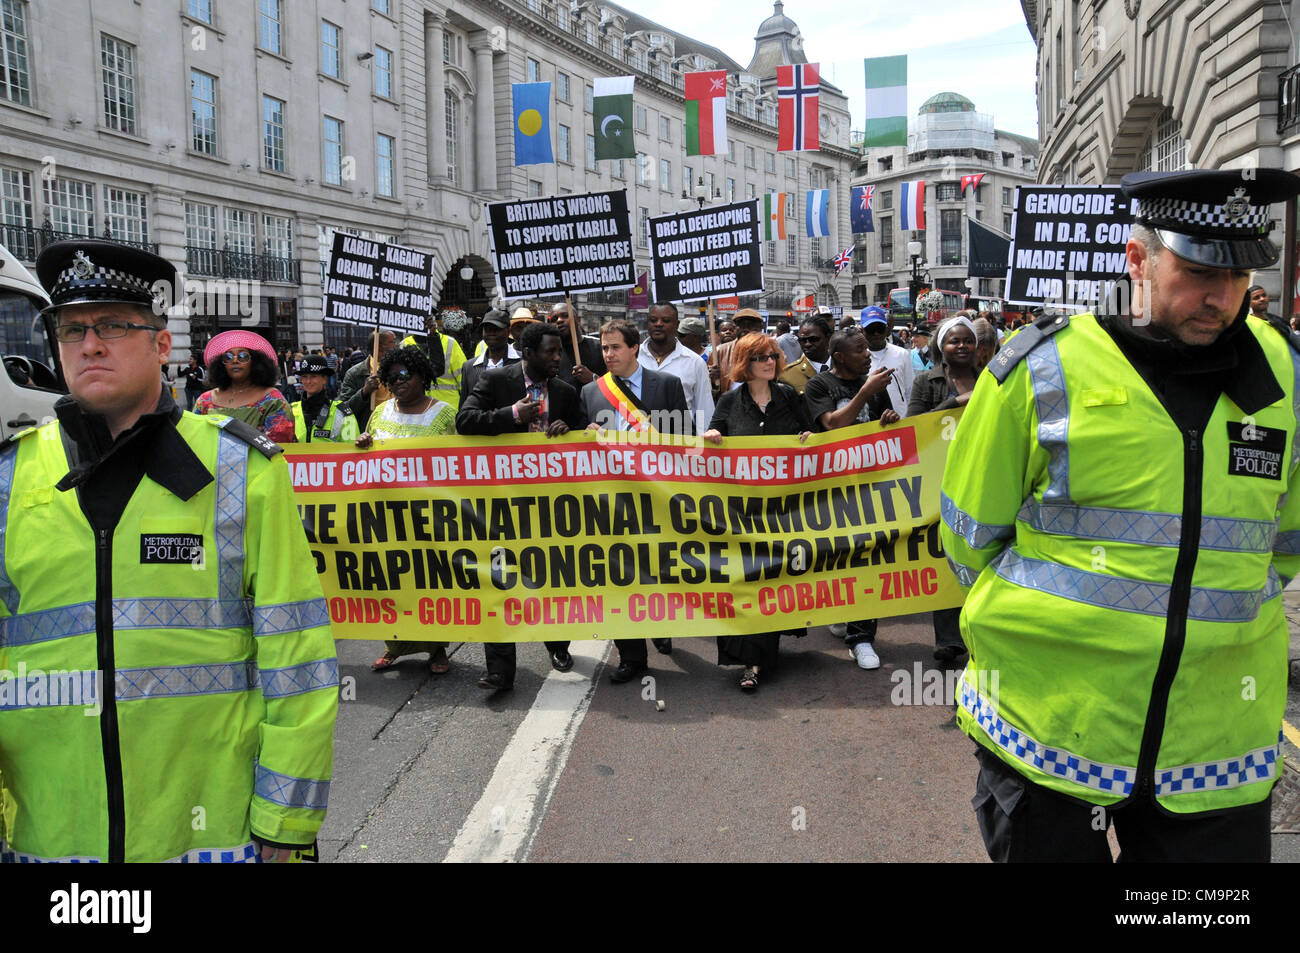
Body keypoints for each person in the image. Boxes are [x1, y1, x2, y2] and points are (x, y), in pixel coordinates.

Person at [942, 167, 1300, 863]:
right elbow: (968, 540)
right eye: (1197, 270)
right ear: (1137, 258)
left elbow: (1286, 546)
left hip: (1214, 750)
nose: (1223, 297)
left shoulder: (1287, 377)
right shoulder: (1038, 371)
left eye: (1239, 274)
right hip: (1047, 737)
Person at [0, 239, 337, 863]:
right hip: (50, 845)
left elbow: (299, 657)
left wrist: (284, 826)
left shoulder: (243, 471)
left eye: (112, 326)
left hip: (211, 841)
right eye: (71, 329)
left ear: (161, 346)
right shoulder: (10, 478)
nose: (89, 345)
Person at [456, 322, 586, 691]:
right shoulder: (496, 381)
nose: (557, 358)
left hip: (550, 506)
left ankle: (558, 645)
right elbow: (465, 422)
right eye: (551, 352)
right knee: (499, 580)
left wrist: (570, 430)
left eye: (560, 352)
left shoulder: (564, 389)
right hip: (500, 504)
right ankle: (499, 671)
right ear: (527, 353)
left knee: (549, 578)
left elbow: (585, 433)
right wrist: (511, 415)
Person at [582, 319, 692, 682]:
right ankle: (631, 657)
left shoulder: (668, 385)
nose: (608, 354)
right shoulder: (592, 392)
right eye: (604, 348)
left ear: (634, 348)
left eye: (615, 347)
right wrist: (589, 436)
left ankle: (661, 621)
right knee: (618, 576)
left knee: (659, 567)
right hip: (612, 500)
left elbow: (683, 438)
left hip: (657, 495)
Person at [703, 333, 812, 691]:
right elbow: (713, 433)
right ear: (745, 364)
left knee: (773, 579)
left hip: (782, 509)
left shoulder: (789, 397)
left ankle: (760, 658)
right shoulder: (730, 402)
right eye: (760, 357)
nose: (770, 361)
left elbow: (809, 431)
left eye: (773, 355)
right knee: (746, 579)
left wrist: (807, 439)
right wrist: (713, 436)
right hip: (742, 512)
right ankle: (752, 660)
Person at [803, 327, 899, 670]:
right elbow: (833, 426)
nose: (868, 355)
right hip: (832, 490)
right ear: (840, 357)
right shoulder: (819, 386)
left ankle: (861, 639)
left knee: (868, 560)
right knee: (837, 558)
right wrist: (865, 391)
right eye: (860, 350)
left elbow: (882, 427)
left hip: (870, 487)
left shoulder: (874, 384)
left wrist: (889, 420)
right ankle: (839, 609)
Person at [358, 345, 456, 675]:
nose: (399, 381)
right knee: (391, 582)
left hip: (428, 516)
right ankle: (394, 645)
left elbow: (461, 464)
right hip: (385, 516)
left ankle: (437, 649)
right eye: (392, 376)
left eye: (406, 375)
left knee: (429, 583)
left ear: (422, 376)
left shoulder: (443, 414)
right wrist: (362, 444)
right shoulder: (379, 411)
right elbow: (366, 457)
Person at [194, 330, 296, 442]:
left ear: (256, 361)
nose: (235, 360)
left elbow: (279, 446)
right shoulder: (204, 400)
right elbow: (195, 439)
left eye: (243, 356)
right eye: (228, 357)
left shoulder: (273, 400)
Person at [639, 302, 715, 434]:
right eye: (653, 320)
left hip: (679, 445)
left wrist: (704, 448)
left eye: (666, 320)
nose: (658, 324)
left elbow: (704, 409)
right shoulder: (632, 358)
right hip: (636, 445)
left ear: (677, 324)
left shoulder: (695, 362)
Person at [909, 315, 981, 415]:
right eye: (955, 341)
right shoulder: (924, 382)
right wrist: (956, 402)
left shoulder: (988, 379)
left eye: (968, 342)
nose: (962, 345)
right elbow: (915, 424)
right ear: (942, 346)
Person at [401, 312, 467, 411]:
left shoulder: (450, 343)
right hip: (416, 409)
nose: (426, 324)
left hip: (447, 409)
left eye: (429, 321)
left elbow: (464, 379)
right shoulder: (404, 345)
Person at [339, 328, 401, 432]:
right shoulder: (355, 373)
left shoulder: (402, 368)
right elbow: (343, 410)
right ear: (380, 346)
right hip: (371, 433)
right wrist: (364, 392)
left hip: (399, 430)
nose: (396, 345)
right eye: (392, 342)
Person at [290, 353, 358, 443]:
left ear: (325, 379)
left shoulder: (341, 412)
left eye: (313, 376)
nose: (308, 381)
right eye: (304, 377)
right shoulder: (290, 410)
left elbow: (352, 447)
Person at [860, 306, 915, 417]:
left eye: (880, 328)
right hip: (869, 426)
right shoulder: (856, 358)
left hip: (901, 421)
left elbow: (910, 391)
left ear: (886, 330)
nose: (876, 333)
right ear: (862, 331)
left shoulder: (902, 354)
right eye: (871, 329)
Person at [460, 308, 520, 401]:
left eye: (496, 329)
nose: (491, 333)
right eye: (487, 329)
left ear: (508, 332)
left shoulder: (523, 361)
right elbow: (464, 408)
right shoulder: (469, 367)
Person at [548, 301, 607, 388]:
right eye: (554, 319)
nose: (559, 320)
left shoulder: (600, 346)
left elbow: (616, 383)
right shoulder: (549, 354)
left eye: (565, 316)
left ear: (578, 320)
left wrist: (593, 378)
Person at [709, 308, 765, 392]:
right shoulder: (719, 352)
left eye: (751, 325)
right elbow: (708, 393)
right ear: (735, 328)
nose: (746, 329)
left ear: (760, 328)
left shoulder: (769, 351)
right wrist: (712, 380)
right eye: (741, 325)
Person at [779, 314, 833, 395]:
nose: (807, 344)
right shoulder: (787, 376)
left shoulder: (844, 368)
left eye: (813, 339)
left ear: (828, 338)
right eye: (802, 340)